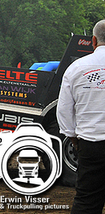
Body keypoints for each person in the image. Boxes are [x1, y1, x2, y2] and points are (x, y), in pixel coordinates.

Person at [57, 19, 105, 214]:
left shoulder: (76, 68)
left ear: (93, 41)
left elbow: (64, 110)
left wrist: (73, 137)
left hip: (91, 146)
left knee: (86, 201)